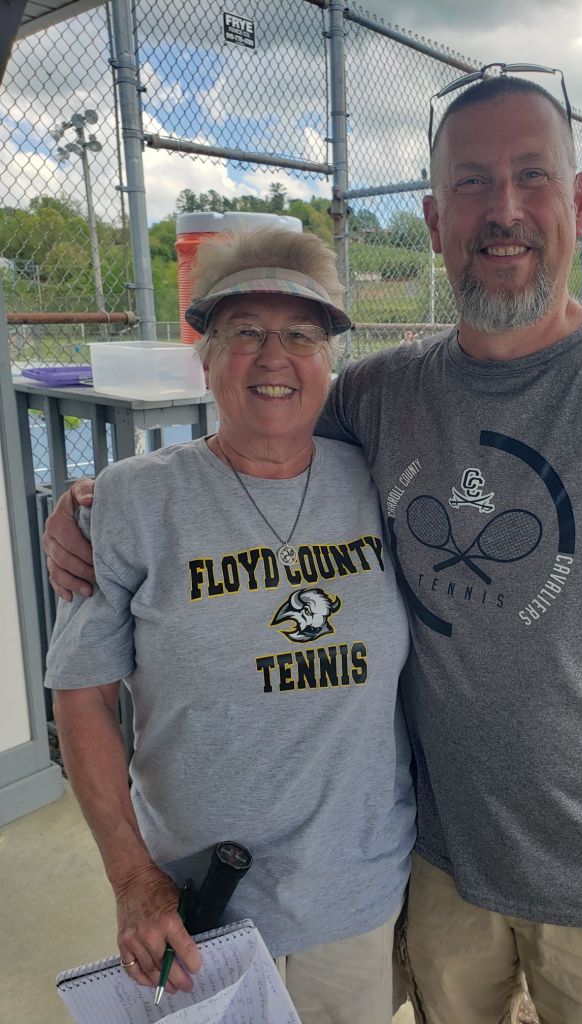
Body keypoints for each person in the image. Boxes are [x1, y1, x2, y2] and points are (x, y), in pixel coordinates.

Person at [45, 74, 582, 1024]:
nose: (503, 209)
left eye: (532, 176)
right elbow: (256, 445)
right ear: (433, 219)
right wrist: (89, 502)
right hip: (438, 870)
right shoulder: (376, 400)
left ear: (581, 201)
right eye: (471, 182)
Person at [44, 226, 415, 1024]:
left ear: (329, 360)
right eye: (245, 331)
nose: (274, 357)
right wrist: (132, 879)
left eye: (302, 335)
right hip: (199, 908)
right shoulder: (133, 500)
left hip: (357, 897)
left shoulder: (379, 479)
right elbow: (82, 696)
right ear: (205, 357)